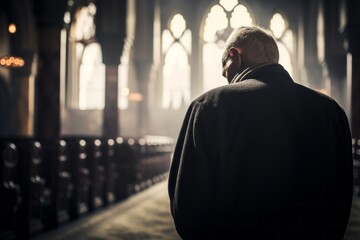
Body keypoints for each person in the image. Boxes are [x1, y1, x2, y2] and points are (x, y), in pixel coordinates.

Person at [168, 25, 353, 240]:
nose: (226, 79)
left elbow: (187, 206)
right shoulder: (331, 111)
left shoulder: (208, 107)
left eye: (225, 71)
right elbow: (341, 197)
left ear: (234, 56)